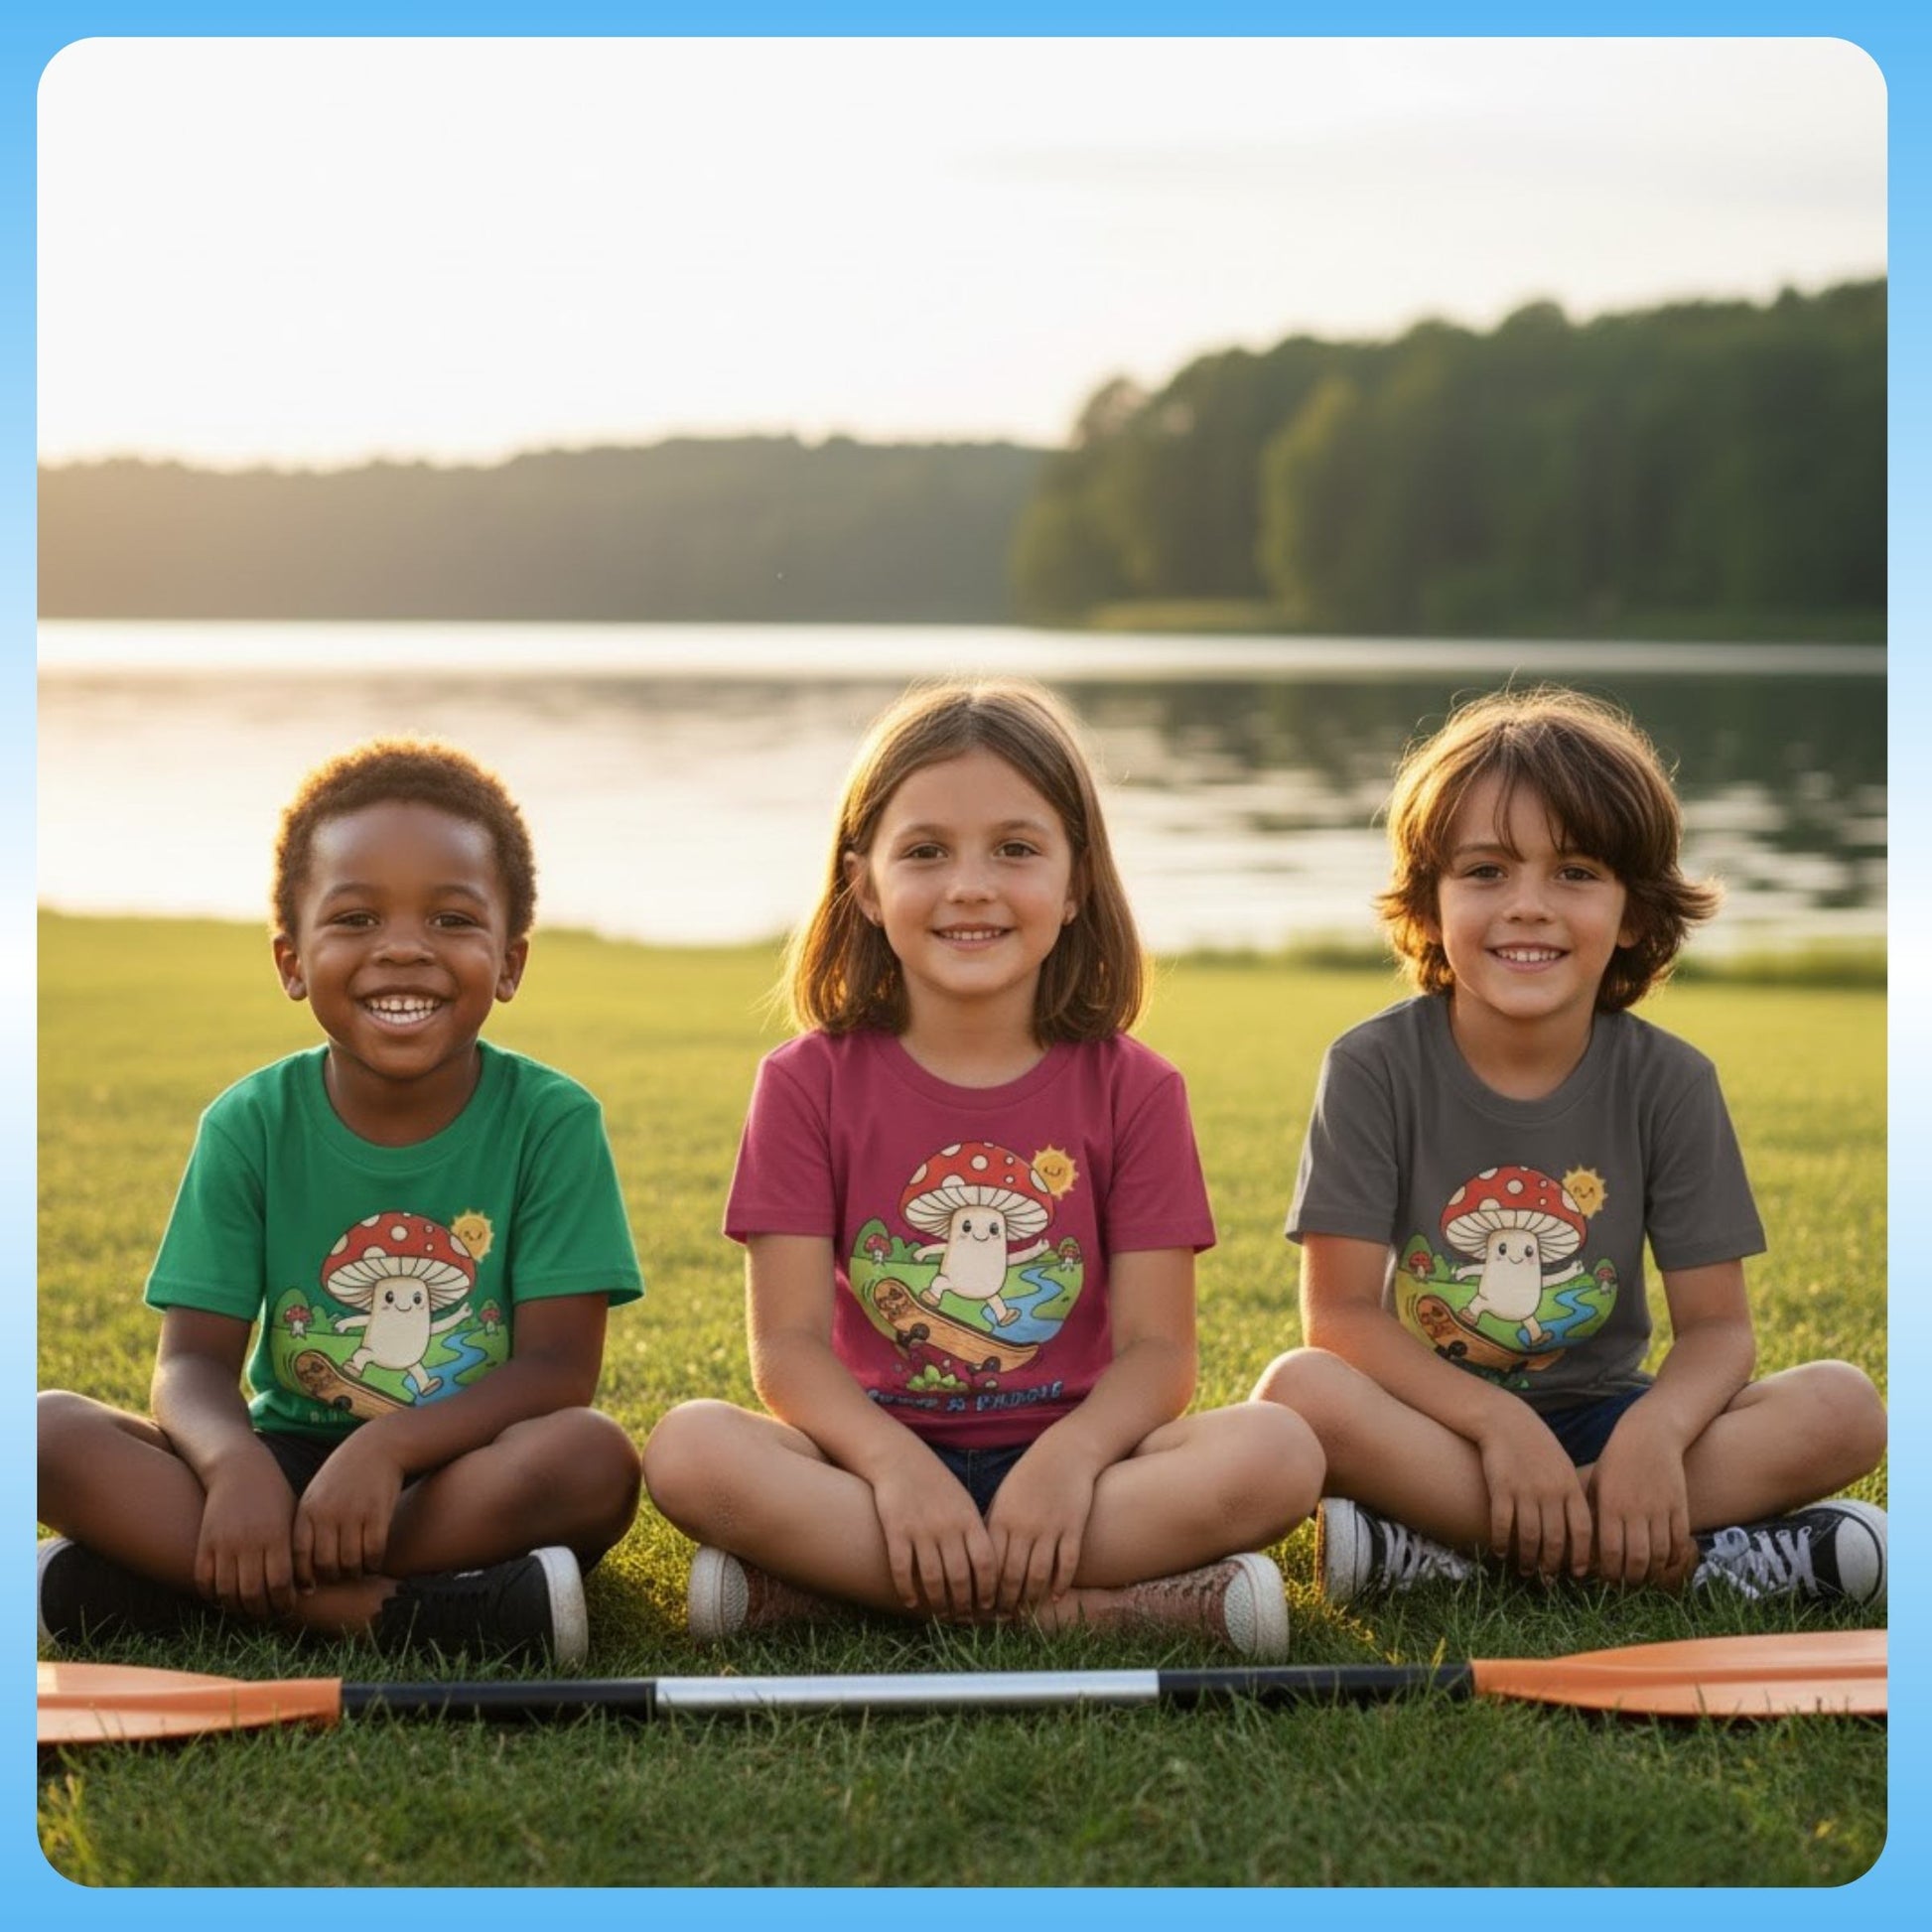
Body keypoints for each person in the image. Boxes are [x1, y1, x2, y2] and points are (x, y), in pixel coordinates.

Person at [643, 680, 1321, 1654]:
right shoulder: (804, 1081)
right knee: (691, 1447)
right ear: (865, 886)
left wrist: (1068, 1458)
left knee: (1278, 1450)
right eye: (925, 851)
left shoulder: (1135, 1087)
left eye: (1015, 847)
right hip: (870, 1470)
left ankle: (837, 1594)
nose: (970, 885)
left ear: (1075, 881)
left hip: (1082, 1474)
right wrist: (893, 1466)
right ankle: (1106, 1609)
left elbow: (1157, 1352)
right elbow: (786, 1347)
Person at [1253, 687, 1887, 1606]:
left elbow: (1717, 1331)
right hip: (1439, 1427)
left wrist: (1655, 1438)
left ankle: (1452, 1549)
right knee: (1299, 1393)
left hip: (1610, 1421)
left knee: (1844, 1405)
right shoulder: (1372, 1066)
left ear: (1633, 912)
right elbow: (1342, 1320)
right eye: (1485, 872)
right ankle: (1677, 1552)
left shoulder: (1670, 1081)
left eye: (1576, 873)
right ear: (1428, 904)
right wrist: (1496, 1429)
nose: (1529, 907)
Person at [37, 738, 645, 1664]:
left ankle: (191, 1587)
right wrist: (234, 1465)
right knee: (40, 1433)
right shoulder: (250, 1123)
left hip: (456, 1472)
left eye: (450, 919)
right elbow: (192, 1366)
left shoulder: (551, 1120)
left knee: (593, 1460)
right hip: (280, 1463)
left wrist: (391, 1448)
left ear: (509, 961)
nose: (402, 949)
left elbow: (558, 1369)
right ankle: (397, 1611)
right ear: (291, 960)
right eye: (356, 918)